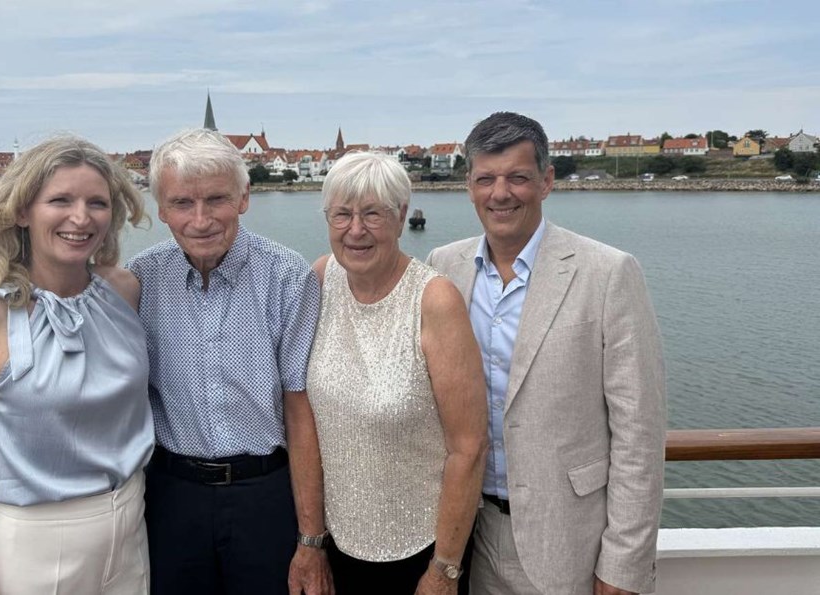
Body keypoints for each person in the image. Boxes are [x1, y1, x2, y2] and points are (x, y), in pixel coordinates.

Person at [426, 112, 666, 595]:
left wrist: (623, 563)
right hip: (463, 537)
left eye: (517, 177)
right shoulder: (442, 267)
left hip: (569, 542)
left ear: (546, 181)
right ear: (468, 186)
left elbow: (639, 433)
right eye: (485, 179)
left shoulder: (609, 273)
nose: (501, 193)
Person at [0, 135, 153, 594]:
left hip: (131, 531)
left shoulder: (123, 291)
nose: (81, 217)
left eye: (97, 202)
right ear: (21, 212)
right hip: (35, 546)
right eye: (60, 200)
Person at [126, 128, 331, 595]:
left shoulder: (286, 277)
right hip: (171, 494)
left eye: (216, 199)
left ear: (243, 198)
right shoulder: (140, 280)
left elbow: (300, 411)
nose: (200, 220)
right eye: (182, 204)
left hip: (265, 494)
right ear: (161, 209)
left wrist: (311, 539)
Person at [307, 151, 488, 594]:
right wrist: (310, 540)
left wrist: (444, 570)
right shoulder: (321, 277)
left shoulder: (434, 301)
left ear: (402, 215)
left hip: (420, 553)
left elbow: (469, 447)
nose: (355, 230)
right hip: (338, 546)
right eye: (342, 214)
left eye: (373, 214)